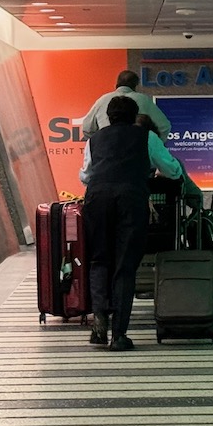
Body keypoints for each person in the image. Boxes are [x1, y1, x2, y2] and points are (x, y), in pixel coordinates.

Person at [78, 95, 183, 352]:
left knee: (99, 260)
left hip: (97, 198)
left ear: (108, 117)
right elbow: (172, 170)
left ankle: (100, 317)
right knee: (125, 266)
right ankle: (119, 335)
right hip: (130, 199)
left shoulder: (94, 141)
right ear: (134, 115)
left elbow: (85, 176)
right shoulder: (146, 137)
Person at [81, 70, 171, 139]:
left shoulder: (103, 100)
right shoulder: (143, 99)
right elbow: (164, 127)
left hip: (106, 154)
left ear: (117, 83)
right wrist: (152, 145)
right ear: (135, 85)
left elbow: (87, 128)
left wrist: (100, 143)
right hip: (137, 152)